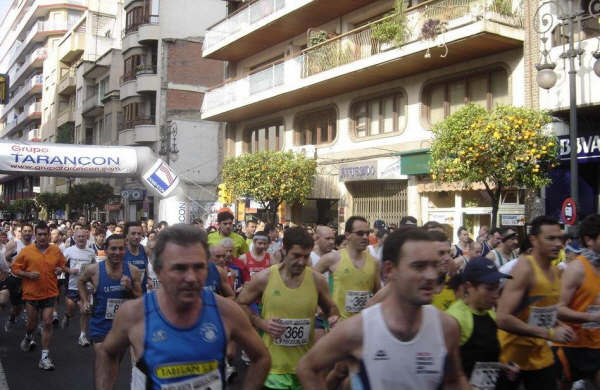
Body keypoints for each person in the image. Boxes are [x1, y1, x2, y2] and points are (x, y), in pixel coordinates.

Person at [94, 224, 270, 389]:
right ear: (158, 270)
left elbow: (261, 358)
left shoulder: (226, 311)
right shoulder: (134, 314)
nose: (192, 277)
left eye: (199, 267)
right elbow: (107, 353)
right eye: (179, 268)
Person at [297, 228, 470, 389]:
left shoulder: (446, 327)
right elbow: (307, 368)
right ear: (389, 270)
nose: (431, 275)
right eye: (419, 266)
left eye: (434, 265)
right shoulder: (357, 330)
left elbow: (455, 379)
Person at [237, 227, 339, 390]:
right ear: (284, 250)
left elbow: (331, 308)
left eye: (306, 257)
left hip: (304, 369)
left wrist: (333, 317)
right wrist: (260, 323)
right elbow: (240, 304)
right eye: (296, 256)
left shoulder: (317, 280)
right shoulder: (265, 277)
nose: (301, 262)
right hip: (273, 370)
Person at [496, 216, 575, 390]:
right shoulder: (525, 268)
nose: (558, 244)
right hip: (511, 357)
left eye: (559, 238)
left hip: (539, 355)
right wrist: (549, 334)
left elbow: (542, 311)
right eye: (550, 238)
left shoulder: (555, 271)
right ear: (533, 240)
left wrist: (561, 326)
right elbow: (502, 318)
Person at [446, 257, 517, 385]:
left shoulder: (489, 311)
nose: (495, 295)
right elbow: (447, 372)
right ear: (469, 287)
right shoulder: (455, 319)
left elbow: (479, 360)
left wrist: (502, 367)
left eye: (497, 288)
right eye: (489, 289)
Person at [11, 221, 69, 370]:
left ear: (49, 235)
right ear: (35, 235)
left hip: (49, 293)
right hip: (31, 294)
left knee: (48, 322)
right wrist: (27, 274)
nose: (42, 237)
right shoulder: (27, 251)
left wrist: (60, 270)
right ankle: (28, 336)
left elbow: (63, 264)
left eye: (45, 234)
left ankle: (44, 357)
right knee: (32, 323)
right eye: (40, 234)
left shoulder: (55, 250)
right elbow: (15, 269)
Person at [554, 214, 600, 388]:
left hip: (596, 345)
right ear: (589, 240)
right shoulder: (576, 269)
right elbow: (558, 309)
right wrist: (590, 318)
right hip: (571, 346)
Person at [77, 234, 143, 347]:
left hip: (123, 326)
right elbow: (81, 281)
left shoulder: (133, 271)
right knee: (102, 357)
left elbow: (140, 298)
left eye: (121, 249)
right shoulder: (93, 270)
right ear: (106, 250)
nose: (117, 252)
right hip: (100, 324)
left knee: (115, 361)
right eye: (113, 248)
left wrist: (130, 288)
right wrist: (85, 301)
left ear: (125, 250)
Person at [315, 216, 380, 320]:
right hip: (338, 326)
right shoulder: (332, 258)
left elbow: (378, 293)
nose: (365, 237)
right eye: (360, 233)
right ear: (347, 235)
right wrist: (320, 307)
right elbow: (309, 281)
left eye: (367, 233)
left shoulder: (374, 262)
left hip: (363, 325)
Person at [61, 229, 96, 347]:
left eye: (83, 236)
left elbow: (95, 267)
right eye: (79, 237)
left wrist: (94, 283)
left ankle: (82, 335)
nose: (81, 238)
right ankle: (67, 315)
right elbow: (60, 265)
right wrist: (69, 270)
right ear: (74, 238)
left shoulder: (91, 252)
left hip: (85, 287)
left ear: (87, 238)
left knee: (84, 310)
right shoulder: (69, 251)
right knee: (71, 308)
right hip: (72, 286)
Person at [124, 222, 149, 294]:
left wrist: (149, 280)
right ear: (127, 236)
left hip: (141, 295)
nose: (136, 237)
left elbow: (146, 271)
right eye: (133, 233)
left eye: (139, 234)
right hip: (125, 296)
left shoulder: (145, 250)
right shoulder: (121, 251)